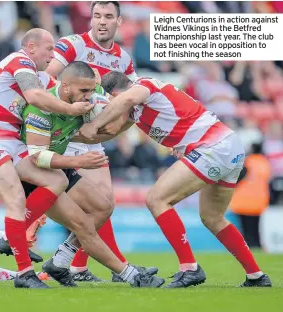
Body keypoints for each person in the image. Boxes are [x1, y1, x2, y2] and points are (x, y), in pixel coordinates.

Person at [79, 71, 273, 288]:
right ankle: (256, 276)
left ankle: (190, 268)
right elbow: (112, 130)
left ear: (114, 94)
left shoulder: (144, 85)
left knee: (156, 199)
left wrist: (93, 125)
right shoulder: (135, 110)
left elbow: (126, 99)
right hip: (228, 147)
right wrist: (73, 134)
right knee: (213, 217)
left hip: (212, 148)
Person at [0, 28, 93, 288]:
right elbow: (35, 97)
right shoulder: (19, 60)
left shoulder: (39, 76)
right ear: (31, 47)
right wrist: (69, 109)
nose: (53, 54)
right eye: (49, 48)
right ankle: (24, 274)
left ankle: (15, 235)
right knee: (16, 199)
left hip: (9, 140)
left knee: (57, 180)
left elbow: (66, 89)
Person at [19, 63, 162, 287]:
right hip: (33, 174)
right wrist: (78, 161)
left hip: (56, 167)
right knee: (83, 225)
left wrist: (124, 117)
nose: (89, 97)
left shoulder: (86, 101)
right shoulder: (41, 110)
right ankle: (130, 275)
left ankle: (60, 261)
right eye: (84, 91)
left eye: (91, 90)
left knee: (103, 207)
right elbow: (37, 157)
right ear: (65, 86)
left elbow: (110, 129)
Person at [45, 1, 137, 281]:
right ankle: (112, 266)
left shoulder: (123, 59)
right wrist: (69, 112)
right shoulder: (73, 44)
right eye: (97, 15)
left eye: (108, 16)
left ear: (119, 22)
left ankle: (74, 265)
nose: (101, 21)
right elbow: (46, 78)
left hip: (94, 137)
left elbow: (133, 102)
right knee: (99, 205)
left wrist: (112, 132)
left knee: (104, 204)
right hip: (69, 134)